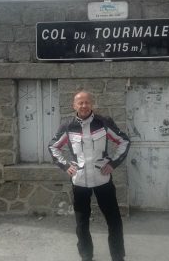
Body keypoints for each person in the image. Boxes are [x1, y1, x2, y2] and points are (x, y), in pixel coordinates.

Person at [48, 90, 130, 261]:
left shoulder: (104, 123)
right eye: (80, 103)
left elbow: (124, 141)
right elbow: (53, 147)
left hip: (103, 180)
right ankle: (86, 256)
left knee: (114, 221)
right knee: (82, 223)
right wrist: (65, 166)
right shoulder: (67, 126)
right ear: (74, 105)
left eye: (87, 102)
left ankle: (118, 256)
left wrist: (113, 163)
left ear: (92, 104)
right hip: (80, 182)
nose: (84, 106)